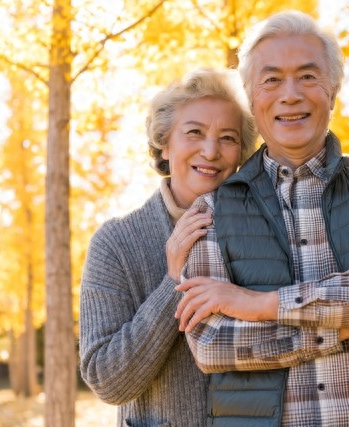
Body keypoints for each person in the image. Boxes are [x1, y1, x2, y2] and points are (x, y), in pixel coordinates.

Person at [176, 10, 349, 427]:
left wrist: (262, 305)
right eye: (271, 80)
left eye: (308, 76)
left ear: (334, 90)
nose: (290, 94)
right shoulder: (210, 212)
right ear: (252, 98)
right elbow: (214, 345)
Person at [78, 67, 257, 427]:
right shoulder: (116, 243)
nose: (211, 150)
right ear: (164, 141)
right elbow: (107, 381)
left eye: (228, 138)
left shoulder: (264, 229)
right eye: (194, 132)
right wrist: (174, 281)